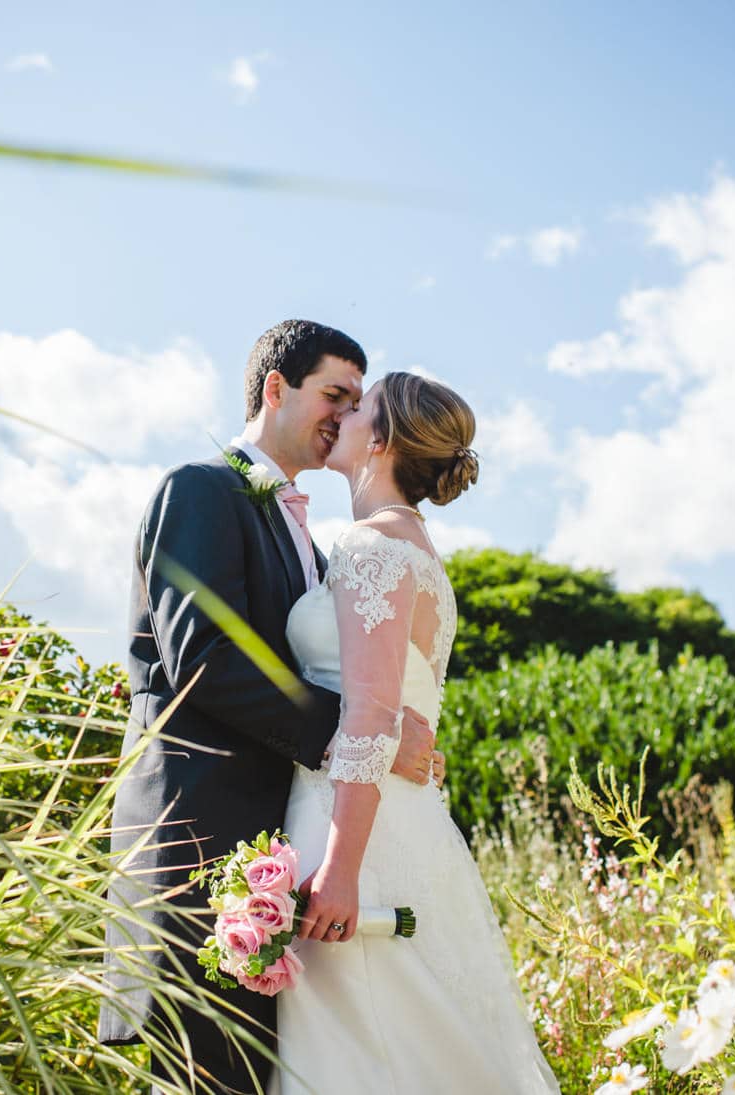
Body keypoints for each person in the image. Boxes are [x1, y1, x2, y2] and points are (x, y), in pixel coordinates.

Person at [98, 320, 443, 1094]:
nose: (348, 414)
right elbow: (204, 663)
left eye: (358, 400)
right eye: (335, 394)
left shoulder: (315, 544)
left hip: (270, 856)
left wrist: (385, 721)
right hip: (195, 842)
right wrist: (369, 735)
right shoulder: (198, 489)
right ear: (275, 387)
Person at [275, 371, 557, 1094]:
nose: (343, 414)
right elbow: (406, 713)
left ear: (385, 437)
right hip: (405, 821)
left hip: (351, 834)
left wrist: (338, 870)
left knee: (356, 1054)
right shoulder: (417, 550)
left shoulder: (373, 547)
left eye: (359, 405)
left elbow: (370, 714)